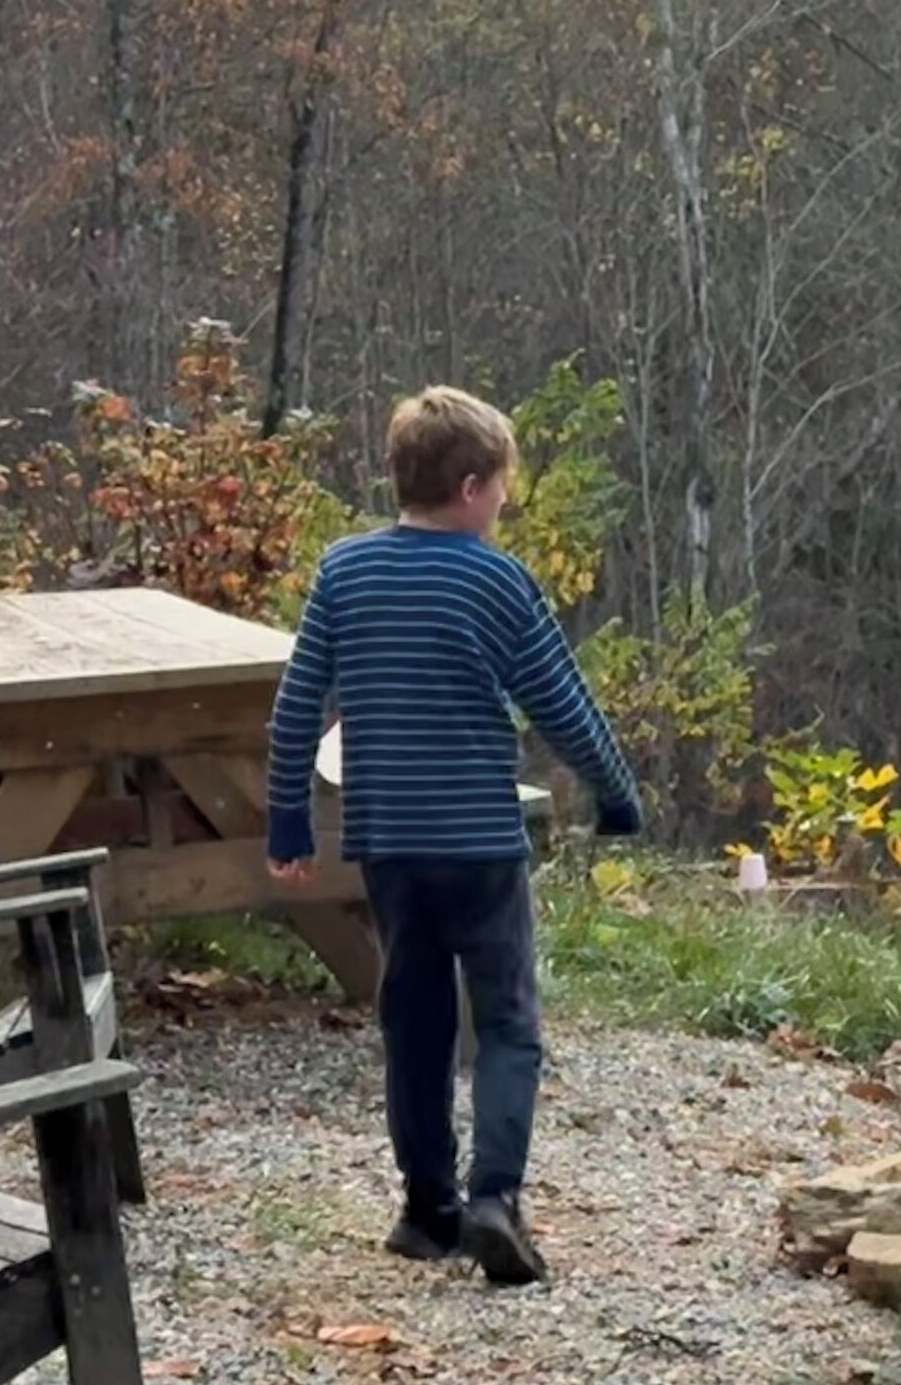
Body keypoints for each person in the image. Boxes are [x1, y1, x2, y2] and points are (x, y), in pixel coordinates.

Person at [266, 384, 643, 1285]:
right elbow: (564, 705)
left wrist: (287, 818)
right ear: (473, 486)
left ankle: (425, 1208)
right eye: (503, 487)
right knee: (508, 1020)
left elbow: (294, 712)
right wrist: (616, 795)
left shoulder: (344, 573)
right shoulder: (497, 579)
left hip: (389, 842)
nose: (505, 502)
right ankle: (495, 1198)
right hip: (479, 842)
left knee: (416, 1017)